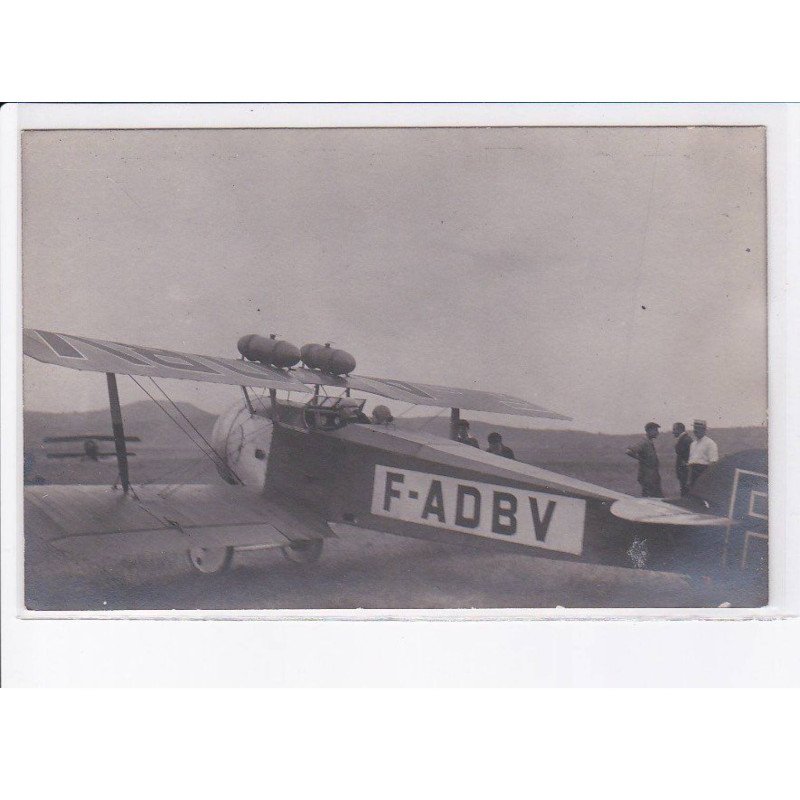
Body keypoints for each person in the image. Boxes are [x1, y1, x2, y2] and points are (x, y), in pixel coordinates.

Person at [625, 422, 663, 497]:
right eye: (655, 430)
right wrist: (641, 460)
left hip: (652, 477)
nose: (657, 432)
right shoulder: (643, 442)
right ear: (649, 431)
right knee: (650, 499)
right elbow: (629, 451)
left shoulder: (649, 442)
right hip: (647, 477)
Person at [688, 419, 719, 487]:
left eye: (698, 428)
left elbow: (713, 462)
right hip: (693, 473)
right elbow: (691, 462)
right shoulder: (692, 444)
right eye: (695, 428)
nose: (696, 430)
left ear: (704, 430)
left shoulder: (710, 443)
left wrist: (706, 478)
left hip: (703, 473)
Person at [672, 422, 693, 496]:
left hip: (685, 474)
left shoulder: (686, 440)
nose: (673, 432)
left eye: (674, 429)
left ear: (680, 429)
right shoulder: (684, 439)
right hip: (683, 473)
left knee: (685, 494)